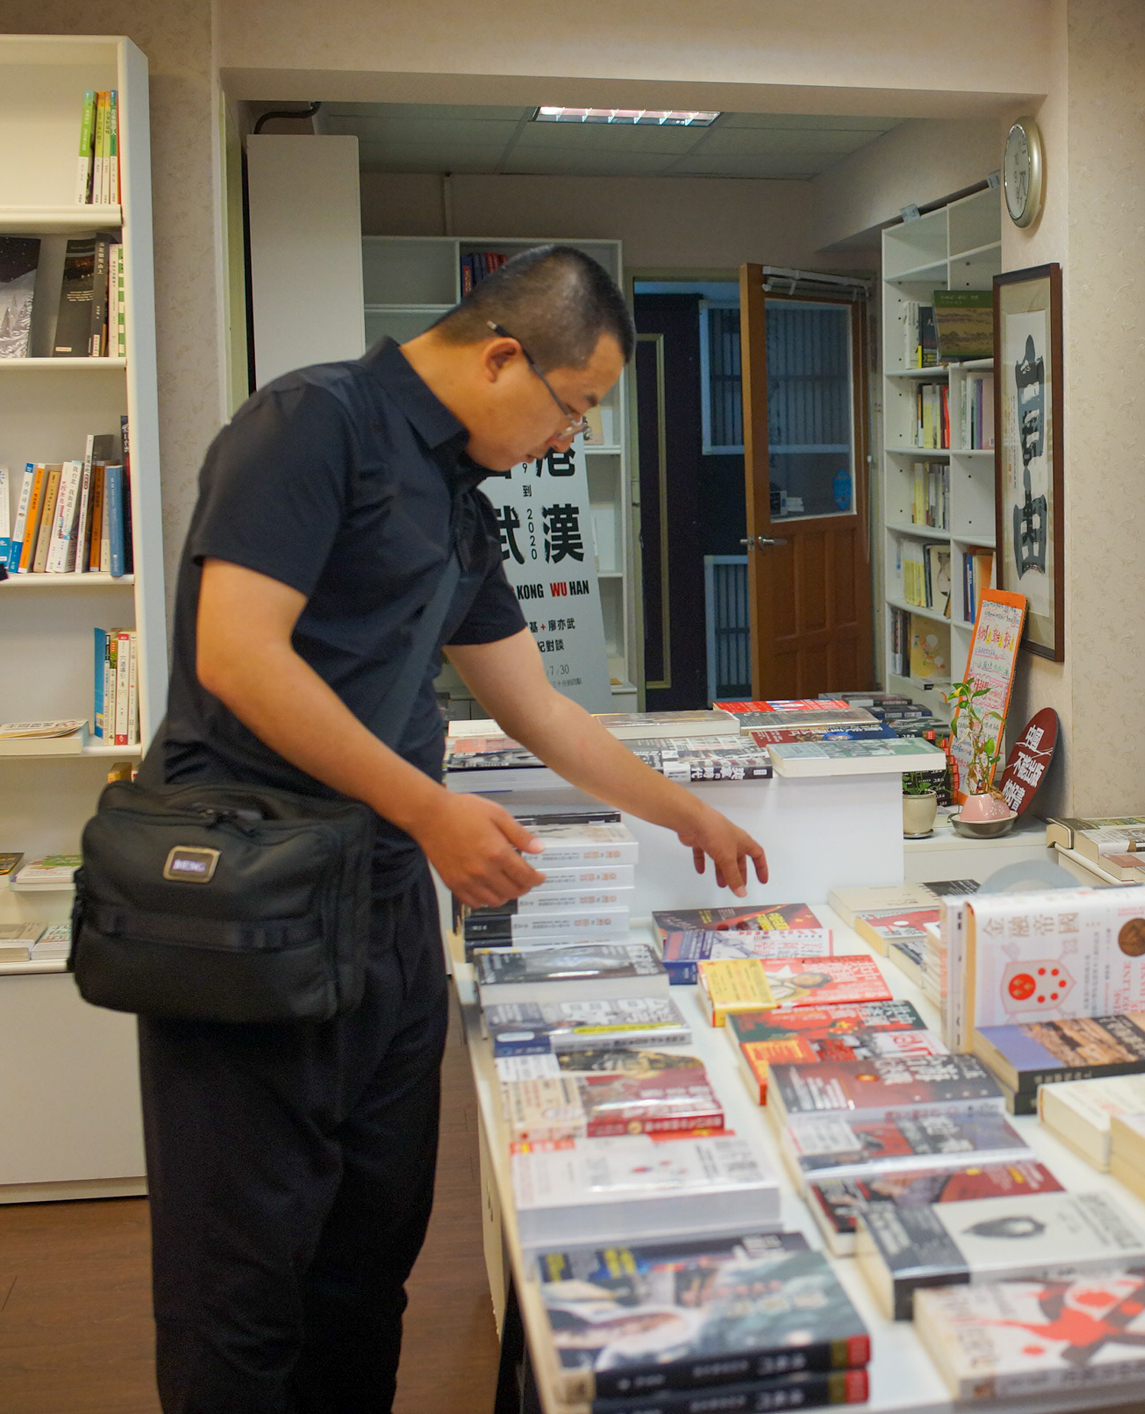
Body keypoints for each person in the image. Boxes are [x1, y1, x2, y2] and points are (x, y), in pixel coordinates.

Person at [140, 245, 767, 1414]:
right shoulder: (308, 425)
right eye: (570, 406)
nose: (567, 438)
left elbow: (538, 710)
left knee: (368, 1252)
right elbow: (236, 653)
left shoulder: (461, 501)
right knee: (243, 1276)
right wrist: (429, 807)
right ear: (500, 356)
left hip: (376, 901)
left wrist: (691, 811)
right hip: (250, 906)